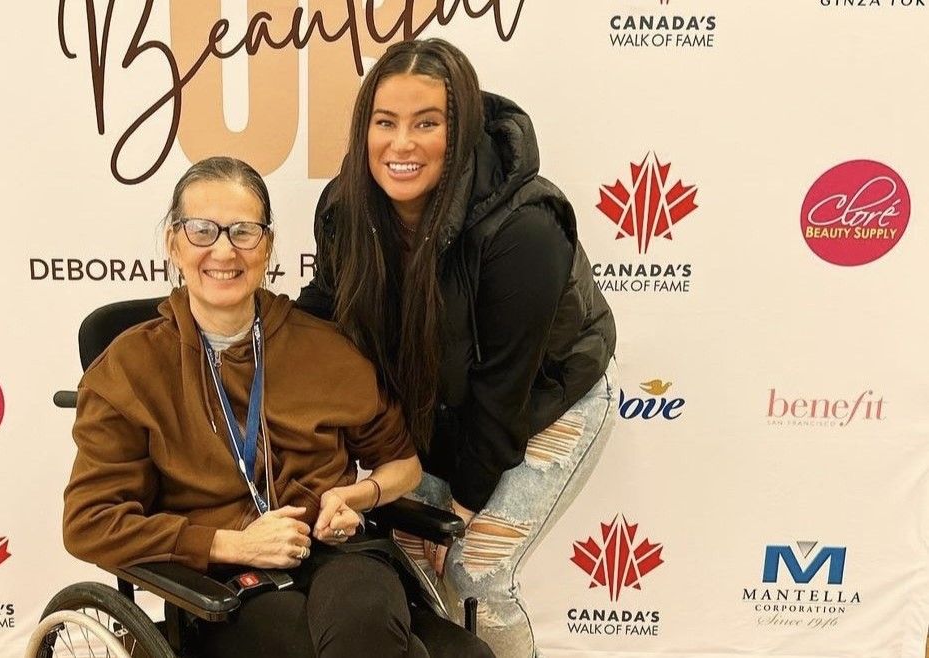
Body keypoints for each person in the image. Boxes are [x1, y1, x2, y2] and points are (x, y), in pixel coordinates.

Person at [63, 156, 492, 658]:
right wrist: (231, 544)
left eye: (244, 231)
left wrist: (359, 496)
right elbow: (89, 523)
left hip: (336, 551)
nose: (223, 249)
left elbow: (403, 466)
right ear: (173, 243)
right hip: (222, 584)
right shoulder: (130, 368)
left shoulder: (324, 347)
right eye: (201, 230)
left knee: (420, 641)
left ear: (267, 246)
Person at [297, 39, 618, 658]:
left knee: (474, 576)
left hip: (546, 402)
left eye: (427, 123)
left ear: (462, 127)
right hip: (437, 402)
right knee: (414, 566)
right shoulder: (345, 205)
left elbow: (506, 387)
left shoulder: (525, 228)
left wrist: (465, 504)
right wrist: (246, 334)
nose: (401, 144)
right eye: (384, 123)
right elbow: (328, 304)